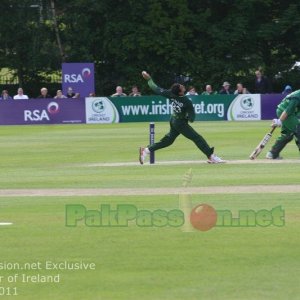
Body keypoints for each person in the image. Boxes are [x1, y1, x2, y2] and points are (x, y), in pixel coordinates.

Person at [139, 71, 225, 164]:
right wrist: (189, 117)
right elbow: (192, 118)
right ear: (180, 92)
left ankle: (146, 150)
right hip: (180, 123)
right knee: (197, 138)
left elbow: (155, 88)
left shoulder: (169, 93)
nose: (183, 87)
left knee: (168, 141)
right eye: (182, 87)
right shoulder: (186, 101)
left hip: (173, 119)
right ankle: (211, 156)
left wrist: (149, 79)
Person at [266, 89, 300, 159]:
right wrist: (280, 121)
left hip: (289, 112)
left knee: (287, 134)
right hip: (284, 112)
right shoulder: (297, 97)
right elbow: (288, 110)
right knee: (298, 129)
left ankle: (272, 153)